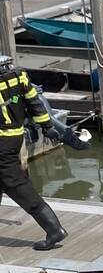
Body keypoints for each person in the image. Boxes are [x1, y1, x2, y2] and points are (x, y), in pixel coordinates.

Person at [0, 55, 67, 251]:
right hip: (15, 137)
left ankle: (54, 230)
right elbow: (34, 101)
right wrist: (47, 126)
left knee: (17, 185)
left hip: (2, 141)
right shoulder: (19, 75)